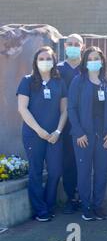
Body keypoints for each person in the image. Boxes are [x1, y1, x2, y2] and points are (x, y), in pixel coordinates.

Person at [68, 46, 107, 221]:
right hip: (83, 135)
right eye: (89, 59)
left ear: (102, 61)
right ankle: (86, 206)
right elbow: (71, 108)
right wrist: (78, 132)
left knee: (101, 171)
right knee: (83, 172)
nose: (93, 61)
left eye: (96, 58)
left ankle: (98, 206)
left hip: (104, 135)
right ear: (84, 62)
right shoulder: (78, 81)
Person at [17, 46, 68, 222]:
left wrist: (58, 131)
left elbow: (65, 110)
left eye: (48, 58)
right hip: (33, 135)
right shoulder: (27, 81)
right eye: (41, 58)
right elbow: (22, 109)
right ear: (35, 61)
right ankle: (40, 210)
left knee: (55, 171)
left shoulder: (59, 82)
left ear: (54, 61)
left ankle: (48, 203)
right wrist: (39, 130)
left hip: (55, 136)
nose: (45, 61)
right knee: (36, 171)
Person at [57, 33, 84, 214]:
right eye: (70, 44)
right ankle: (70, 197)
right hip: (65, 124)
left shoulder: (87, 67)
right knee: (68, 162)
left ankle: (84, 196)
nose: (73, 46)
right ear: (65, 47)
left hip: (85, 123)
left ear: (83, 46)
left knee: (85, 162)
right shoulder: (58, 69)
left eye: (77, 44)